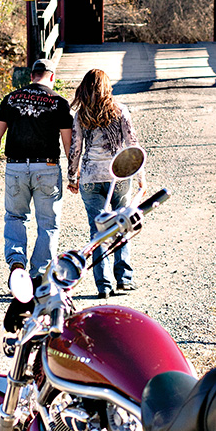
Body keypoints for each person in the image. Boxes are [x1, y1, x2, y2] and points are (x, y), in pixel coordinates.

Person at [0, 59, 73, 292]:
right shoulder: (58, 102)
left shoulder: (11, 99)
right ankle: (38, 275)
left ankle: (16, 264)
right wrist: (74, 173)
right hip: (47, 168)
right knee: (48, 224)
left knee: (14, 217)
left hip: (15, 167)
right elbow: (67, 142)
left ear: (31, 76)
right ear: (51, 77)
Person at [67, 69, 144, 299]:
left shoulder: (81, 115)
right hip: (118, 176)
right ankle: (125, 279)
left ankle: (104, 286)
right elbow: (133, 145)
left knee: (98, 230)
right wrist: (141, 178)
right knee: (123, 224)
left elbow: (75, 149)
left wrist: (73, 178)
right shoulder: (120, 111)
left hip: (90, 178)